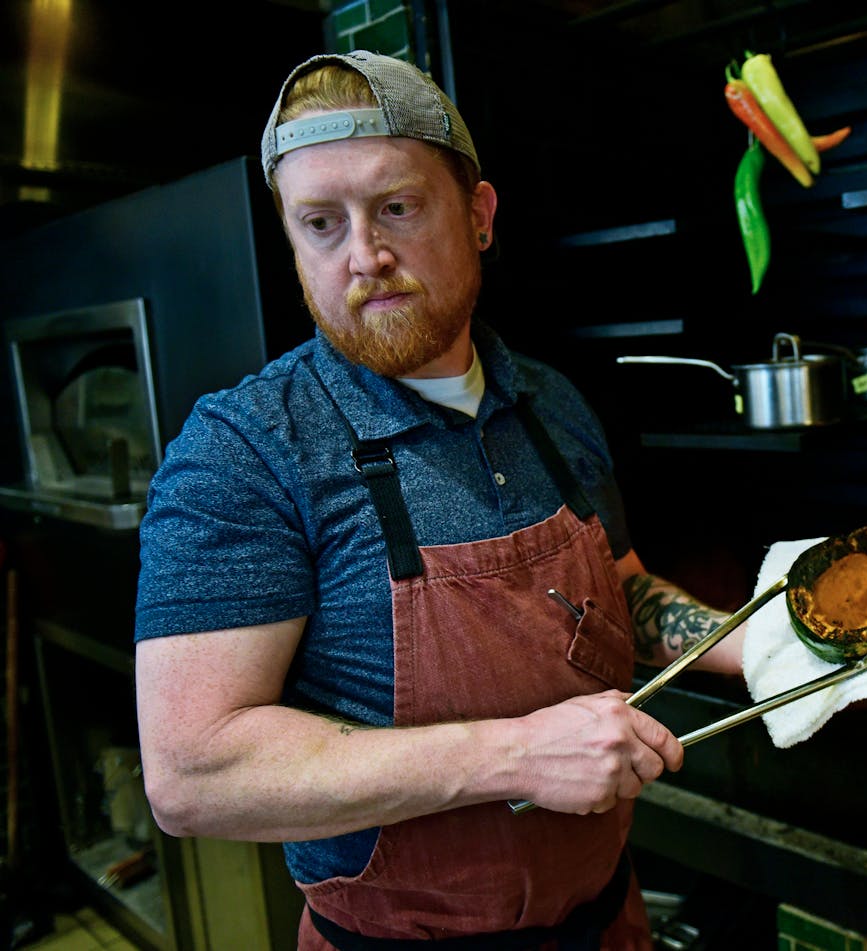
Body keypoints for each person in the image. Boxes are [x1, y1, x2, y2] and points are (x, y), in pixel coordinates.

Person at [133, 50, 745, 950]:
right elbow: (192, 773)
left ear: (479, 214)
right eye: (321, 225)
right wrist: (515, 754)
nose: (366, 257)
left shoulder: (552, 404)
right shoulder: (244, 451)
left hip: (609, 923)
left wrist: (764, 640)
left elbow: (623, 589)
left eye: (396, 208)